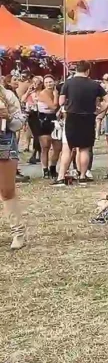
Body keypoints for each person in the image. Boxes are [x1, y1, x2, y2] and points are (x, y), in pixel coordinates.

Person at [55, 62, 106, 186]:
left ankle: (61, 177)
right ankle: (83, 176)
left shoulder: (68, 83)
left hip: (72, 116)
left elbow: (61, 101)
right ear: (88, 71)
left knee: (67, 148)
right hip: (88, 117)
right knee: (84, 149)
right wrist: (99, 110)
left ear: (76, 70)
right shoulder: (94, 84)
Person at [0, 79, 26, 248]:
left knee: (6, 190)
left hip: (4, 143)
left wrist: (8, 117)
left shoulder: (7, 95)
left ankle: (18, 232)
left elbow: (19, 123)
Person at [36, 74, 61, 178]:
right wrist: (55, 95)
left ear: (54, 82)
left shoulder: (57, 92)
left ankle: (53, 167)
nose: (49, 84)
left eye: (50, 82)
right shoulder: (43, 93)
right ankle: (45, 170)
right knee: (45, 146)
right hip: (44, 120)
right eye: (46, 82)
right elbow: (54, 106)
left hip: (54, 119)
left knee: (57, 147)